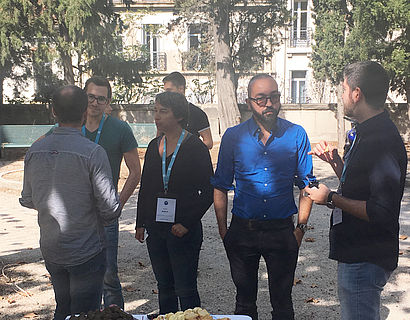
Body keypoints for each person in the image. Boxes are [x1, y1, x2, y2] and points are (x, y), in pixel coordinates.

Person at [306, 61, 407, 320]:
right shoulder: (364, 132)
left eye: (343, 90)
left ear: (356, 93)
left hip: (365, 255)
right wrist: (337, 164)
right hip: (357, 251)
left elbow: (381, 211)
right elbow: (364, 187)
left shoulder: (381, 140)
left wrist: (330, 198)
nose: (341, 97)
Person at [212, 74, 314, 320]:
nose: (269, 103)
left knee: (282, 304)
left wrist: (299, 229)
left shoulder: (296, 135)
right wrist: (224, 231)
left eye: (274, 97)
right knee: (244, 304)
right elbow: (220, 185)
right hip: (242, 231)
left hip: (281, 232)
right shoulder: (233, 137)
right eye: (261, 99)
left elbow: (307, 185)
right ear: (249, 102)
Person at [19, 85, 122, 320]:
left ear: (53, 111)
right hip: (87, 249)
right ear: (85, 112)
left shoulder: (35, 150)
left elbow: (28, 198)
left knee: (62, 307)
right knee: (85, 314)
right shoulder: (93, 152)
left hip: (52, 248)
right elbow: (111, 208)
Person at [40, 76, 141, 308]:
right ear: (83, 98)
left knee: (108, 274)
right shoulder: (66, 127)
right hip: (74, 216)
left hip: (104, 215)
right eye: (91, 97)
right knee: (74, 275)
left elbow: (135, 171)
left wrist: (118, 205)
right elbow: (40, 150)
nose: (95, 103)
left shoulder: (120, 128)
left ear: (109, 103)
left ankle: (113, 314)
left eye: (101, 99)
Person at [135, 91, 213, 314]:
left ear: (178, 115)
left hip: (183, 230)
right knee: (165, 286)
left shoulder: (194, 147)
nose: (156, 117)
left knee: (186, 287)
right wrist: (141, 222)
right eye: (155, 111)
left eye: (163, 111)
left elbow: (207, 191)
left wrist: (187, 223)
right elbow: (147, 187)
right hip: (156, 229)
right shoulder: (153, 146)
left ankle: (194, 317)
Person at [162, 71, 213, 149]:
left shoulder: (197, 113)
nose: (166, 95)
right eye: (165, 91)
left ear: (181, 89)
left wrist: (187, 150)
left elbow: (208, 142)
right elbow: (158, 139)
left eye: (169, 91)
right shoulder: (163, 112)